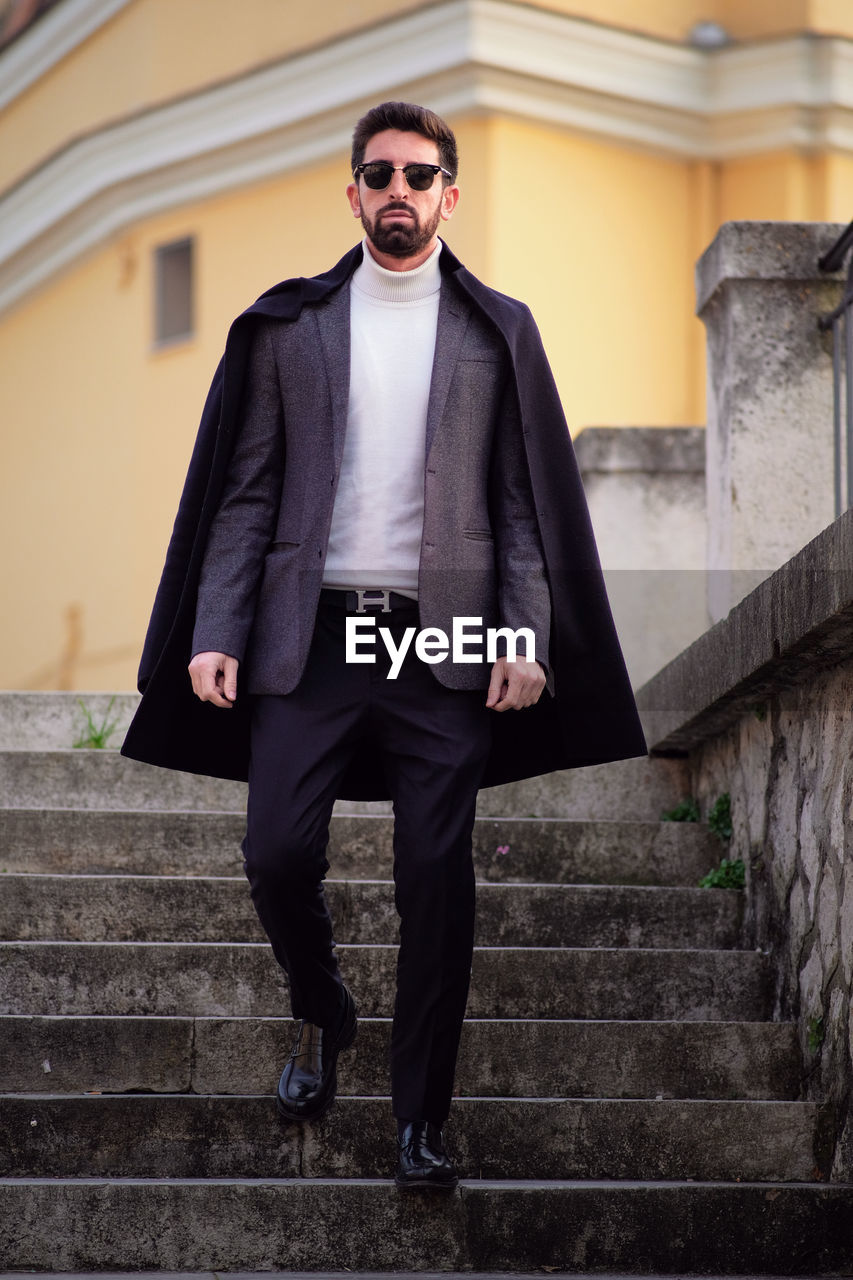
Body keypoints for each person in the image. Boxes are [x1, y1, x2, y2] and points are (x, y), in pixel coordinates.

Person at [121, 101, 646, 1192]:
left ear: (450, 194)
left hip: (443, 642)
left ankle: (420, 1120)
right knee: (274, 853)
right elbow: (246, 493)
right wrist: (215, 630)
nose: (397, 191)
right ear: (352, 191)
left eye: (419, 175)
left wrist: (524, 635)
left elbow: (519, 508)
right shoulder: (292, 328)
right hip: (309, 635)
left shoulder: (493, 330)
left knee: (435, 881)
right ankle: (324, 1008)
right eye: (379, 174)